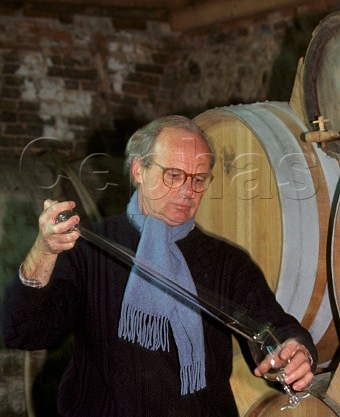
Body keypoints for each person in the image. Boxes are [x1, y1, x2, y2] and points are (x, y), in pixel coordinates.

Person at [1, 115, 317, 417]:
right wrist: (43, 252)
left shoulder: (227, 262)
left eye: (198, 179)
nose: (187, 191)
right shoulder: (89, 246)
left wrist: (296, 350)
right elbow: (22, 332)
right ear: (139, 170)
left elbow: (275, 326)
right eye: (174, 175)